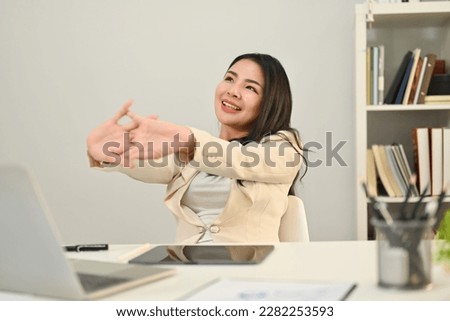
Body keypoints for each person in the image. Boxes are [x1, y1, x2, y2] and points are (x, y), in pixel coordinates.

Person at [87, 53, 307, 244]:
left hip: (252, 270)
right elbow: (147, 163)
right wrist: (110, 152)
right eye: (229, 79)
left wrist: (188, 140)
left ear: (269, 102)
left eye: (250, 87)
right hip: (190, 265)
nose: (233, 91)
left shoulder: (284, 147)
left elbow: (243, 160)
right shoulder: (192, 153)